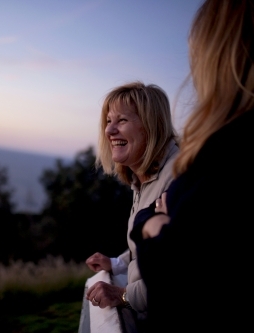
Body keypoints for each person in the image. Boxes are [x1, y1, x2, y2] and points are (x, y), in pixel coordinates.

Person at [130, 0, 254, 331]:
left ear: (221, 54)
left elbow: (183, 280)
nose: (110, 129)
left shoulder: (237, 150)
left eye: (121, 120)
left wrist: (152, 226)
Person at [84, 81, 179, 324]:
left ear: (151, 126)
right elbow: (151, 247)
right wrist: (117, 263)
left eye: (122, 121)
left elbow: (183, 272)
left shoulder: (178, 179)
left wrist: (124, 295)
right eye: (108, 121)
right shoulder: (143, 178)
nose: (109, 131)